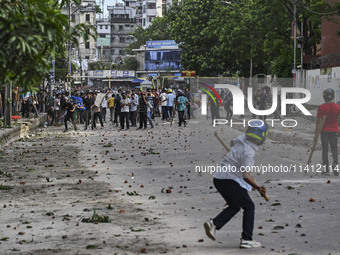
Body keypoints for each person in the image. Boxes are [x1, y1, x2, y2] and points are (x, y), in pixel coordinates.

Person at [204, 120, 269, 249]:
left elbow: (232, 143)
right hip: (229, 180)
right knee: (249, 206)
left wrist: (235, 154)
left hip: (219, 178)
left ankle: (214, 224)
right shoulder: (249, 152)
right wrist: (258, 187)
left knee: (235, 205)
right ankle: (246, 239)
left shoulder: (242, 139)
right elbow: (246, 176)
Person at [315, 88, 340, 175]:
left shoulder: (321, 107)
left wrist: (316, 134)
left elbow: (319, 122)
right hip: (334, 131)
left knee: (325, 149)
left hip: (324, 131)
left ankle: (326, 169)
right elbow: (339, 120)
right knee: (334, 148)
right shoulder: (337, 107)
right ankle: (335, 164)